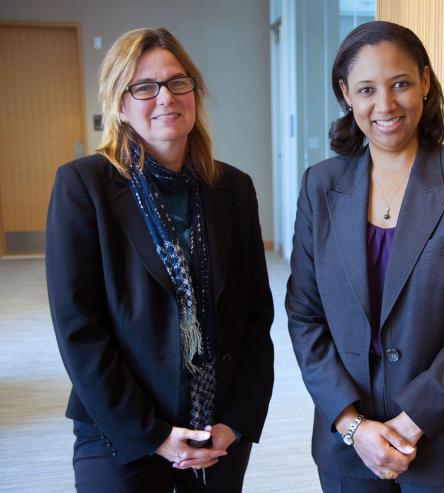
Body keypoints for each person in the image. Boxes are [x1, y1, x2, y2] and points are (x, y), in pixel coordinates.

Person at [286, 21, 444, 492]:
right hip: (349, 446)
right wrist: (354, 426)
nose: (385, 105)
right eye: (367, 89)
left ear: (425, 83)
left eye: (401, 84)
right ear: (346, 95)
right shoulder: (320, 185)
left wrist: (411, 423)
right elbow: (305, 316)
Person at [45, 28, 274, 492]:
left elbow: (254, 317)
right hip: (120, 429)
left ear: (195, 91)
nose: (165, 97)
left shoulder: (232, 188)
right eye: (144, 87)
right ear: (120, 103)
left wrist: (236, 422)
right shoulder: (84, 185)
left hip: (216, 430)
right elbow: (79, 329)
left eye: (177, 82)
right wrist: (153, 434)